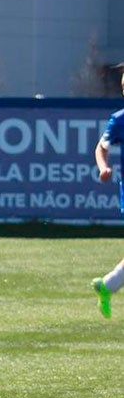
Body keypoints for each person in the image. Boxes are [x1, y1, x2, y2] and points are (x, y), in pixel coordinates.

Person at [89, 71, 124, 318]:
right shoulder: (120, 120)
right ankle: (108, 284)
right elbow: (101, 148)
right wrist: (103, 168)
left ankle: (108, 285)